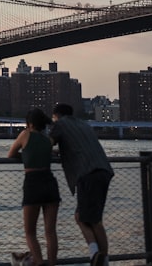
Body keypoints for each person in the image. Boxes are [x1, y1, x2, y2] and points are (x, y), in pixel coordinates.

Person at [49, 103, 114, 266]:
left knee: (83, 218)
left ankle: (96, 256)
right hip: (103, 170)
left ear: (56, 116)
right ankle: (102, 259)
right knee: (94, 219)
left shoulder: (60, 125)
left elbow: (46, 144)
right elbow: (78, 147)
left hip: (87, 173)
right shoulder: (83, 124)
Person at [8, 107, 60, 266]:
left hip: (33, 182)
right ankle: (52, 264)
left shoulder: (25, 134)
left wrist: (24, 156)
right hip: (50, 183)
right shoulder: (48, 140)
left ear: (29, 123)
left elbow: (11, 154)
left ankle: (38, 261)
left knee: (30, 232)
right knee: (50, 232)